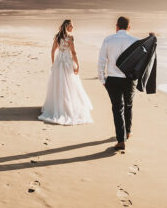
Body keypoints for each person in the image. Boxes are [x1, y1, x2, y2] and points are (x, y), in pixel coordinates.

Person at [38, 19, 93, 125]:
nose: (73, 28)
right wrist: (78, 65)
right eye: (72, 26)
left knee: (58, 84)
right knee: (70, 84)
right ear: (67, 26)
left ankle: (57, 105)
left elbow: (53, 50)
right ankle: (68, 107)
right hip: (67, 61)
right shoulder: (70, 37)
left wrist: (53, 63)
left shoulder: (58, 36)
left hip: (59, 61)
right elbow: (73, 52)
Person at [98, 16, 138, 150]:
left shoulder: (108, 40)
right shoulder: (135, 41)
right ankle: (128, 131)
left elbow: (102, 61)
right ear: (129, 27)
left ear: (116, 26)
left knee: (117, 108)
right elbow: (141, 61)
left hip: (113, 79)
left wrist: (102, 79)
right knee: (128, 105)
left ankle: (121, 140)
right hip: (129, 79)